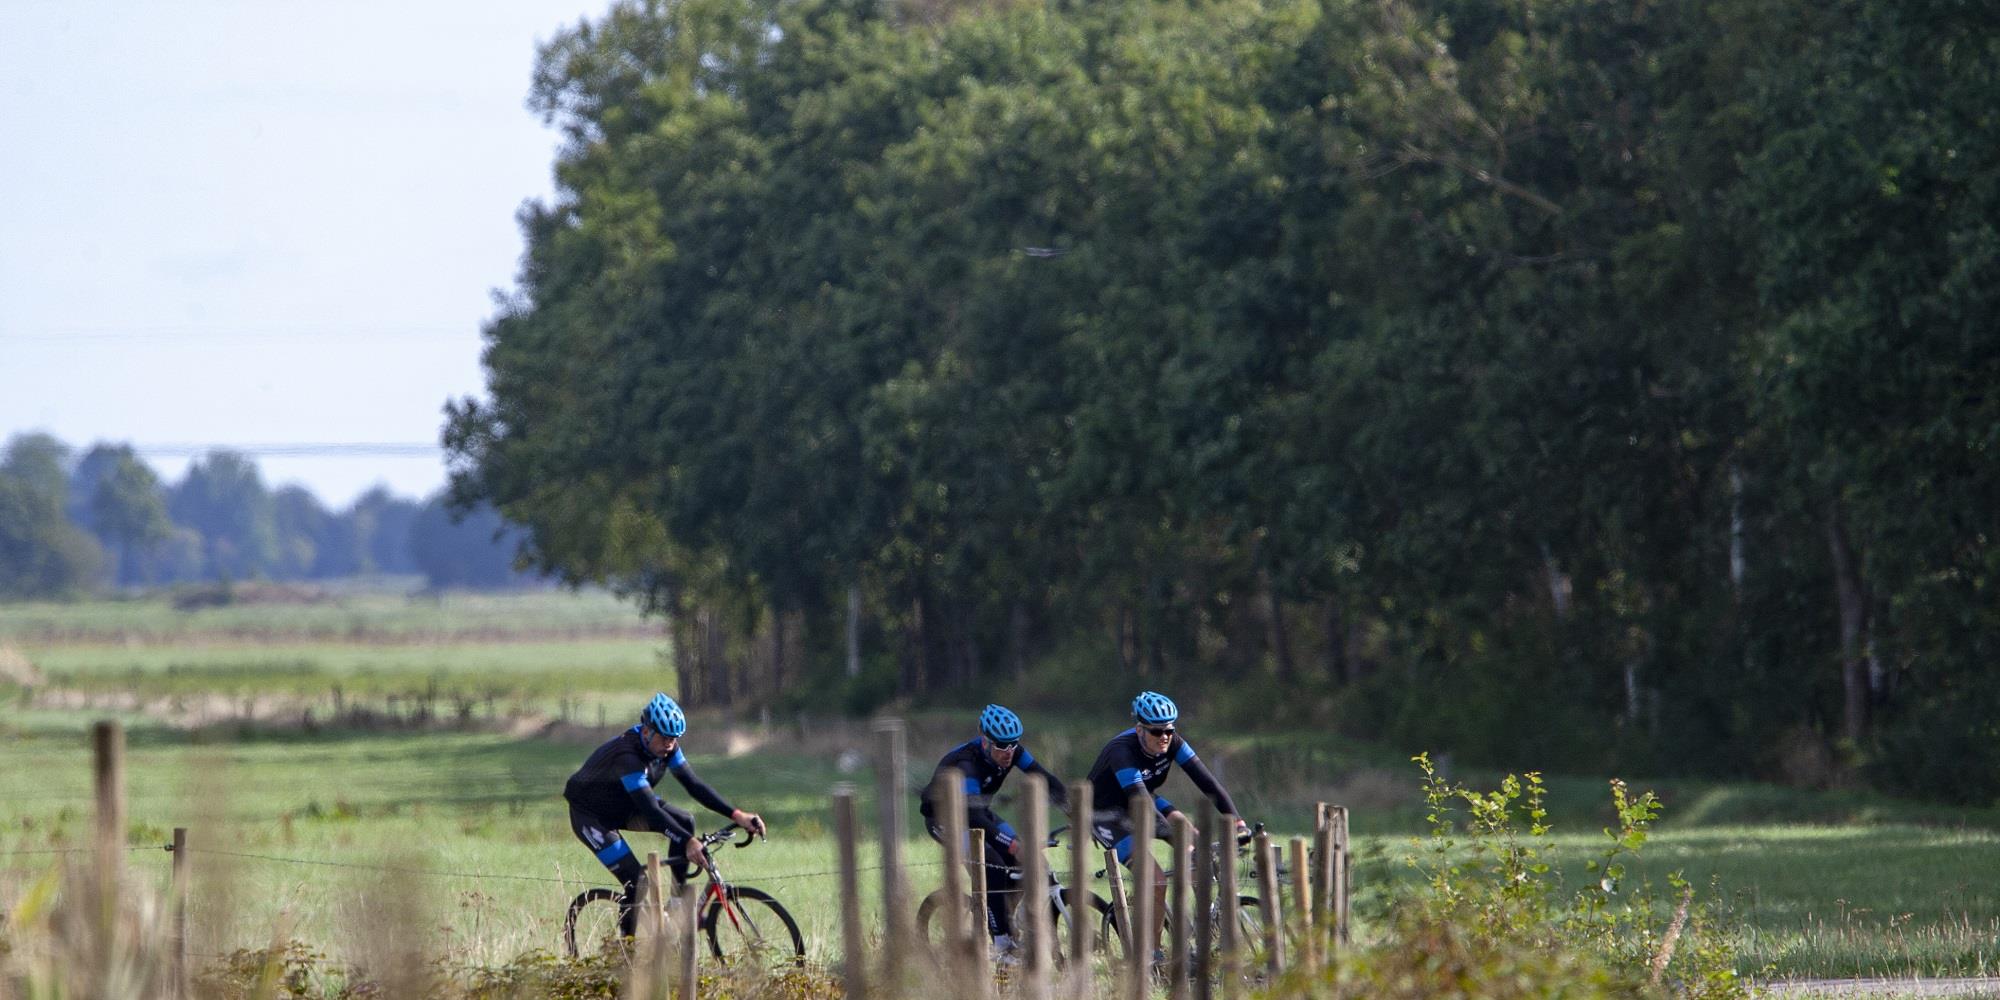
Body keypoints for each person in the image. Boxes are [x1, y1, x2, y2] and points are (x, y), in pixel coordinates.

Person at [564, 692, 767, 939]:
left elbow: (693, 785)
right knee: (637, 881)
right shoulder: (628, 757)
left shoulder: (667, 748)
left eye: (674, 739)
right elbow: (650, 810)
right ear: (647, 731)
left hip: (623, 804)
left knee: (685, 821)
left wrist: (737, 815)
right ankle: (626, 951)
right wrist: (688, 842)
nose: (669, 745)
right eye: (664, 738)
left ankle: (676, 907)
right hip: (592, 816)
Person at [918, 704, 1070, 959]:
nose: (1008, 752)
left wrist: (1071, 807)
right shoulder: (966, 764)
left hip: (978, 810)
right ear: (985, 739)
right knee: (993, 864)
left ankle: (1002, 915)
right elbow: (972, 817)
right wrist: (1012, 846)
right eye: (1001, 745)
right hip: (946, 819)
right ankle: (1002, 943)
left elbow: (1044, 778)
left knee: (1030, 864)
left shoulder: (1012, 750)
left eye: (1013, 744)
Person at [1085, 690, 1249, 868]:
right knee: (1155, 880)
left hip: (1141, 800)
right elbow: (1142, 803)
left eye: (1169, 730)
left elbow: (1207, 783)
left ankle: (1205, 894)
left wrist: (1237, 822)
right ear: (1139, 729)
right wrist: (1185, 847)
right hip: (1105, 814)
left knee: (1197, 844)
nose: (1164, 737)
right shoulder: (1121, 752)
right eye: (1156, 731)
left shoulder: (1174, 742)